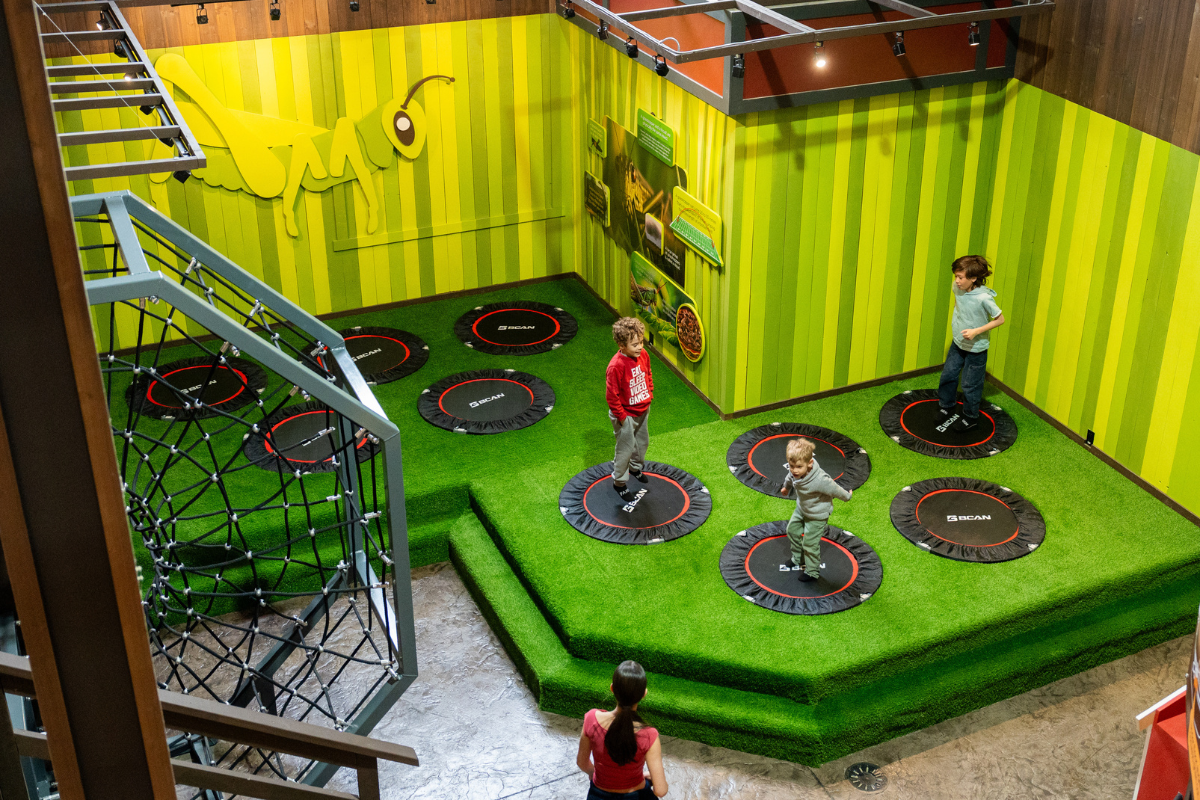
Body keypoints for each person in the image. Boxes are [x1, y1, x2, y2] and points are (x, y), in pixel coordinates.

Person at [577, 661, 668, 799]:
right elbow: (660, 791)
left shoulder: (591, 719)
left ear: (612, 688)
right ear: (644, 694)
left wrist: (596, 774)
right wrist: (646, 779)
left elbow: (582, 762)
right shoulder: (649, 735)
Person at [938, 255, 1005, 431]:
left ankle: (970, 417)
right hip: (958, 342)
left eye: (961, 277)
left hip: (977, 348)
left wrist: (976, 331)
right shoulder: (957, 287)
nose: (957, 281)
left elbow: (1000, 320)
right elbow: (959, 304)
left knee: (970, 384)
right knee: (948, 374)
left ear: (973, 278)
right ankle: (946, 405)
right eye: (956, 276)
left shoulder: (984, 298)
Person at [780, 438, 852, 582]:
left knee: (809, 543)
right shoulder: (794, 472)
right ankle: (798, 559)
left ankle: (812, 571)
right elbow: (790, 477)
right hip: (802, 509)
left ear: (809, 463)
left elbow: (835, 489)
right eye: (791, 465)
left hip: (817, 515)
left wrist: (847, 496)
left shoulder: (820, 480)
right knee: (792, 531)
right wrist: (786, 488)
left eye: (798, 466)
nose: (794, 470)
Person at [606, 318, 654, 502]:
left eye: (641, 342)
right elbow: (612, 396)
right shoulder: (615, 366)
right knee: (624, 450)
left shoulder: (644, 355)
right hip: (625, 415)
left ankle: (635, 468)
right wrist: (622, 417)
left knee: (642, 444)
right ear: (621, 345)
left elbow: (648, 373)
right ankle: (619, 483)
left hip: (643, 409)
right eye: (634, 344)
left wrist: (649, 394)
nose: (640, 347)